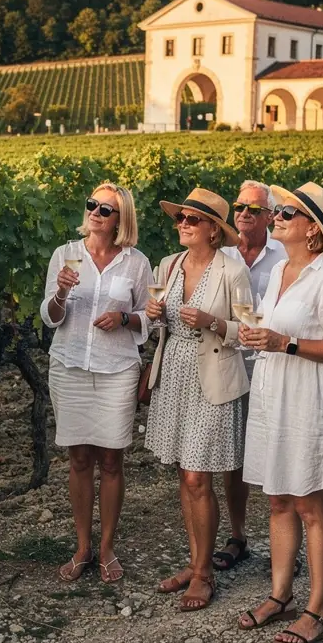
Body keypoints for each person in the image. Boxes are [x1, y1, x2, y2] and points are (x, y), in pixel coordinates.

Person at [238, 182, 323, 643]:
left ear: (313, 229)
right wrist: (258, 336)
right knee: (277, 500)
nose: (277, 217)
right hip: (273, 394)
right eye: (279, 212)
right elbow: (270, 330)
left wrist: (283, 342)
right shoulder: (278, 271)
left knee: (311, 506)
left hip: (308, 399)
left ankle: (317, 609)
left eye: (288, 213)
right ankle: (281, 595)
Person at [143, 188, 251, 612]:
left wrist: (214, 322)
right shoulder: (169, 265)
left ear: (213, 230)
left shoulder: (233, 271)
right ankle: (195, 562)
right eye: (180, 218)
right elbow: (159, 321)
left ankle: (204, 574)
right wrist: (153, 316)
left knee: (196, 477)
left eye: (192, 219)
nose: (183, 224)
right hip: (173, 374)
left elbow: (249, 332)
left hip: (212, 378)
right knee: (183, 474)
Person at [41, 184, 152, 584]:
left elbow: (150, 316)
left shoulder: (136, 263)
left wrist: (123, 319)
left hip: (117, 369)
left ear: (121, 219)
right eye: (92, 205)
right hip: (69, 366)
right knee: (79, 460)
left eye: (106, 209)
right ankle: (82, 546)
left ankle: (106, 548)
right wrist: (61, 292)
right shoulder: (65, 255)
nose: (96, 212)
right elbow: (50, 317)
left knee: (111, 460)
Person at [218, 179, 286, 571]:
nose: (244, 213)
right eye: (240, 206)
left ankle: (285, 547)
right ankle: (238, 535)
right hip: (230, 363)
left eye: (254, 209)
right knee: (234, 457)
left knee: (278, 453)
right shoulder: (221, 252)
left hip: (273, 366)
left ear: (270, 216)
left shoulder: (283, 254)